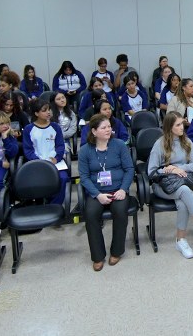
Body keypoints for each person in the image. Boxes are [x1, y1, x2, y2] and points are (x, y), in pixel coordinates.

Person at [147, 112, 193, 259]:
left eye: (182, 123)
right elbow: (151, 172)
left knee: (183, 203)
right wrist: (168, 169)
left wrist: (181, 168)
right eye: (178, 125)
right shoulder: (159, 144)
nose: (183, 127)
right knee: (186, 192)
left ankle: (180, 240)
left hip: (182, 182)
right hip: (163, 185)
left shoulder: (186, 141)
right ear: (169, 127)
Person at [79, 114, 135, 271]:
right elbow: (83, 177)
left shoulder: (119, 145)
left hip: (118, 190)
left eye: (109, 127)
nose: (108, 130)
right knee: (90, 214)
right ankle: (97, 256)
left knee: (120, 211)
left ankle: (116, 251)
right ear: (94, 131)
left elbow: (129, 169)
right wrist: (97, 194)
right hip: (97, 192)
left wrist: (123, 189)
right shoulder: (85, 150)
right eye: (103, 127)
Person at [22, 99, 68, 205]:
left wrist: (56, 158)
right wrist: (38, 161)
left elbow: (60, 146)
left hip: (55, 162)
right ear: (36, 113)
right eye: (44, 110)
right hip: (37, 163)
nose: (48, 112)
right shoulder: (29, 129)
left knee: (63, 178)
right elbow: (28, 150)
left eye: (49, 109)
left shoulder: (55, 127)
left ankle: (55, 205)